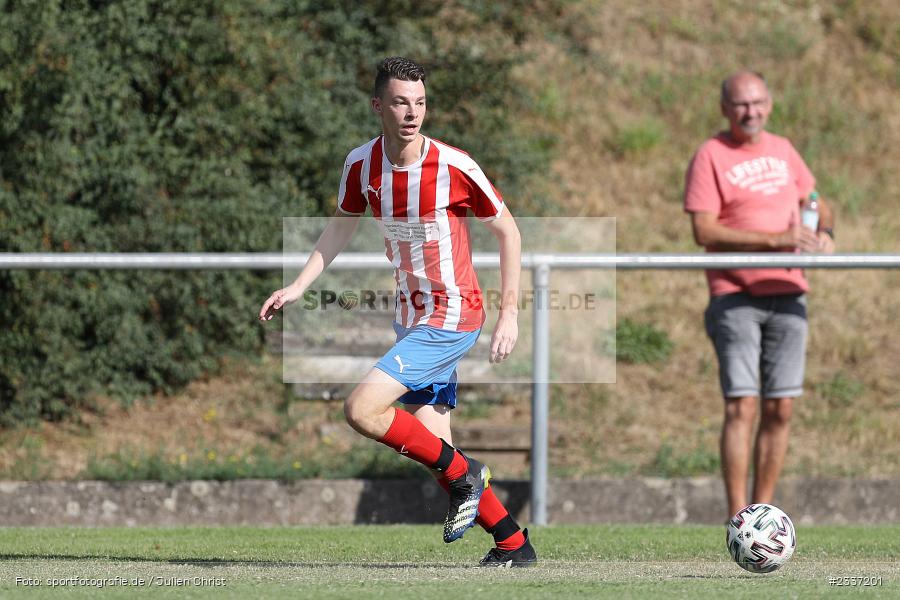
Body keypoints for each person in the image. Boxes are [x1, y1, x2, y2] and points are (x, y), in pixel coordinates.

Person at [259, 57, 536, 567]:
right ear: (378, 106)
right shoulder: (361, 164)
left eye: (421, 102)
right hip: (410, 316)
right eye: (401, 102)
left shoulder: (454, 165)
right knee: (434, 447)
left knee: (362, 410)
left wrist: (510, 313)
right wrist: (299, 284)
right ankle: (512, 543)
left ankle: (468, 475)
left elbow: (508, 230)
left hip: (453, 315)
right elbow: (343, 222)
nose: (413, 113)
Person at [683, 70, 836, 519]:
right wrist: (774, 239)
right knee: (742, 406)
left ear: (770, 102)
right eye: (741, 105)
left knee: (781, 407)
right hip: (736, 296)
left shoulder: (784, 149)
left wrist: (824, 230)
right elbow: (703, 228)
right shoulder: (711, 154)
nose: (751, 112)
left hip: (790, 293)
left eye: (758, 102)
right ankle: (738, 517)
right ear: (725, 109)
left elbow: (817, 200)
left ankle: (763, 514)